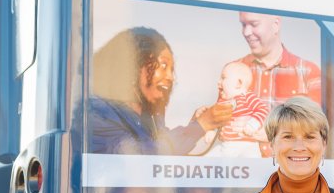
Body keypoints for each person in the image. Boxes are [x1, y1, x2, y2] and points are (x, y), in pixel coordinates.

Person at [90, 27, 232, 154]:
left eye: (171, 69)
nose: (171, 77)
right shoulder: (97, 114)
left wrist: (193, 127)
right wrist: (200, 126)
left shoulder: (149, 115)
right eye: (163, 65)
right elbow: (142, 155)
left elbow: (165, 151)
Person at [237, 12, 323, 156]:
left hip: (290, 173)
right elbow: (224, 126)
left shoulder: (309, 72)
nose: (246, 32)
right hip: (243, 172)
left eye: (254, 24)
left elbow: (316, 129)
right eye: (243, 24)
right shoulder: (234, 70)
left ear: (275, 25)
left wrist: (273, 133)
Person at [191, 61, 269, 157]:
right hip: (225, 145)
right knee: (208, 159)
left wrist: (252, 124)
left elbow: (262, 109)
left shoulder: (247, 96)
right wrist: (211, 132)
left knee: (252, 160)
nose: (218, 81)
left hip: (247, 146)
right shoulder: (222, 102)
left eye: (223, 78)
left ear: (238, 83)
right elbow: (215, 122)